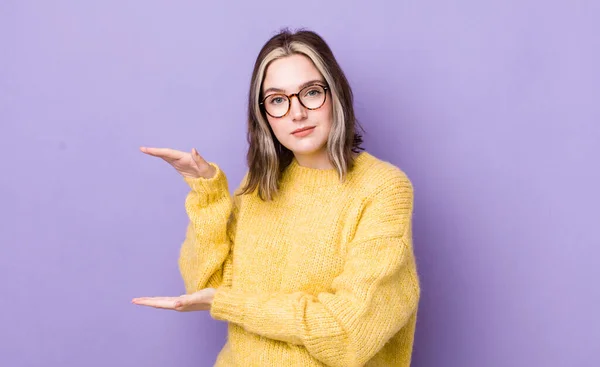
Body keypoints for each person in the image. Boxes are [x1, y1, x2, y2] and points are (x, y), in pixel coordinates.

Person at [132, 29, 420, 367]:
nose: (297, 113)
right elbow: (208, 286)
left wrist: (232, 305)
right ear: (264, 115)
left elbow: (346, 333)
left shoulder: (382, 189)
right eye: (278, 100)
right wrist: (206, 191)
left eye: (311, 93)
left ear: (336, 94)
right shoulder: (259, 188)